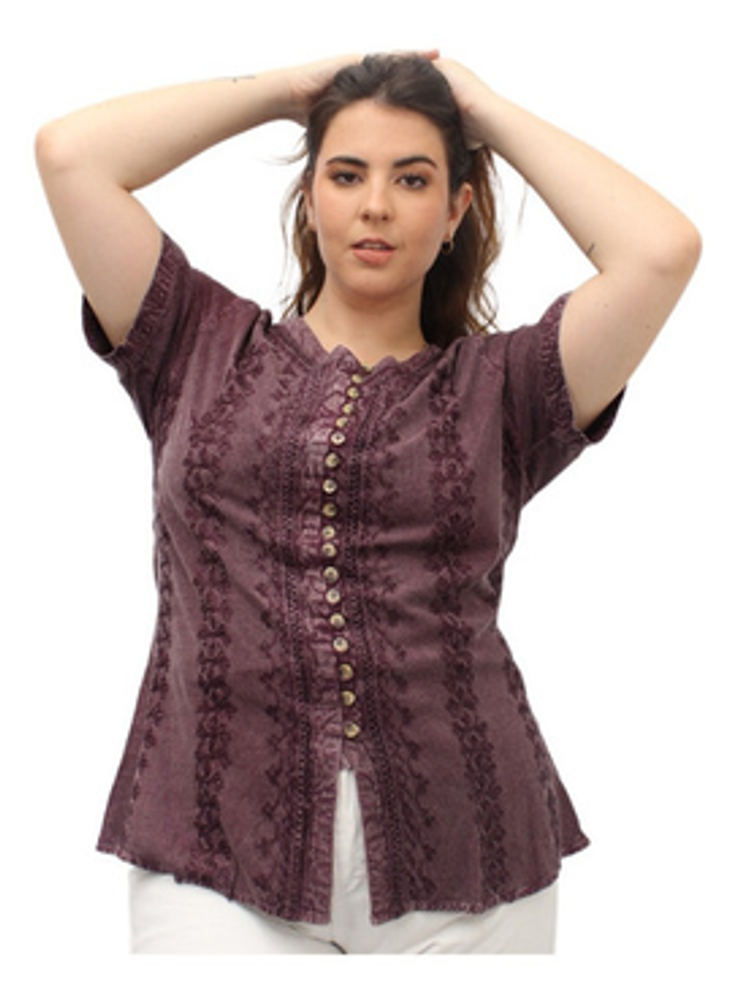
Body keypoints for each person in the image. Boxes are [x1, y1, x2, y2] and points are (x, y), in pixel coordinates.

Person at [36, 52, 700, 955]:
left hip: (470, 867)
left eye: (413, 179)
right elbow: (71, 155)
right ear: (309, 197)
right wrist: (286, 93)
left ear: (456, 208)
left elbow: (659, 250)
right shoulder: (194, 343)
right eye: (346, 175)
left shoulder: (506, 389)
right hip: (212, 851)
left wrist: (483, 111)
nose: (376, 205)